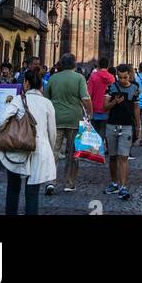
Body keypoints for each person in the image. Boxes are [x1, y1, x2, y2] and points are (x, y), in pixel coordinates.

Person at [0, 66, 57, 215]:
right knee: (32, 194)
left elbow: (3, 119)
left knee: (13, 189)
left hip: (17, 147)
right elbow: (52, 132)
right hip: (39, 149)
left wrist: (5, 132)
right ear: (41, 86)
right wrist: (49, 148)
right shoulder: (47, 104)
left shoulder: (18, 100)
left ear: (26, 83)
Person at [44, 51, 92, 195]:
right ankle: (69, 183)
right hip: (74, 119)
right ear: (74, 64)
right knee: (73, 153)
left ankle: (50, 182)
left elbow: (47, 98)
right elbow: (85, 98)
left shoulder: (53, 78)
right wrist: (90, 113)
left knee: (54, 152)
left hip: (56, 119)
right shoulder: (79, 78)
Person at [103, 63, 140, 200]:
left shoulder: (135, 88)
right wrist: (114, 102)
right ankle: (114, 183)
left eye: (125, 77)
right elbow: (105, 106)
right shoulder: (111, 87)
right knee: (112, 157)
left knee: (123, 157)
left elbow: (136, 108)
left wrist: (138, 126)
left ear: (129, 75)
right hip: (112, 125)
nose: (122, 80)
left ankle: (123, 187)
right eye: (120, 77)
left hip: (127, 126)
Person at [87, 56, 115, 148]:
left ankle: (95, 147)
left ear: (98, 65)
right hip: (106, 108)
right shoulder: (111, 77)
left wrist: (87, 108)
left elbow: (89, 93)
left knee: (95, 129)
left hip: (94, 107)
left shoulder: (93, 76)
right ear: (108, 66)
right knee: (103, 128)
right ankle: (100, 146)